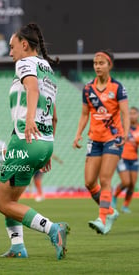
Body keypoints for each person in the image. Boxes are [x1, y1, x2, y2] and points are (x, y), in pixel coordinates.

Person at [0, 23, 69, 260]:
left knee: (3, 203)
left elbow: (32, 89)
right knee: (10, 198)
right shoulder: (48, 69)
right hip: (44, 142)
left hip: (26, 140)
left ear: (24, 44)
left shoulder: (25, 63)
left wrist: (29, 121)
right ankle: (18, 247)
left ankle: (52, 229)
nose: (10, 52)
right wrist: (45, 151)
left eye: (12, 46)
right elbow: (54, 115)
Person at [73, 50, 129, 234]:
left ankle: (102, 219)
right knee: (89, 182)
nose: (97, 66)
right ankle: (110, 211)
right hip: (94, 140)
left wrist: (126, 134)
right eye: (95, 63)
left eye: (101, 63)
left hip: (113, 139)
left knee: (105, 179)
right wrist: (78, 134)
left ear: (109, 65)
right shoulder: (88, 89)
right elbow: (83, 114)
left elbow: (125, 113)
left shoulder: (118, 88)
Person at [112, 106, 139, 213]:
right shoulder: (123, 127)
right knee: (126, 182)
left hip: (134, 159)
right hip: (122, 157)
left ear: (137, 115)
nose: (132, 115)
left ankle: (125, 205)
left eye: (134, 113)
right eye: (130, 113)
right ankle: (114, 196)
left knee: (132, 184)